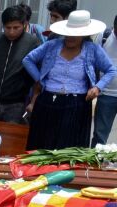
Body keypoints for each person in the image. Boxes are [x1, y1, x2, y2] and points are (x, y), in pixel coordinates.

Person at [23, 11, 116, 151]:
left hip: (77, 105)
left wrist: (97, 87)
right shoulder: (52, 45)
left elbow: (111, 70)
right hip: (47, 101)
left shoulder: (92, 49)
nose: (71, 37)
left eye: (76, 34)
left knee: (69, 149)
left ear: (84, 34)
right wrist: (40, 80)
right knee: (42, 146)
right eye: (69, 33)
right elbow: (28, 60)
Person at [0, 6, 40, 124]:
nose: (11, 31)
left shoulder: (32, 44)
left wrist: (33, 102)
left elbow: (38, 77)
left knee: (10, 140)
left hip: (15, 106)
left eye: (16, 27)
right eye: (8, 27)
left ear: (24, 24)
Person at [93, 15, 117, 146]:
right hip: (106, 94)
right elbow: (93, 60)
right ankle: (94, 163)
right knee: (100, 136)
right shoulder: (104, 36)